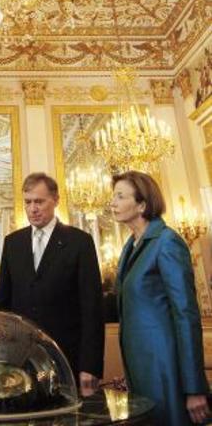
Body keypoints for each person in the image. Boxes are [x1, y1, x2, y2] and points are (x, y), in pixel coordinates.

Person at [110, 170, 210, 426]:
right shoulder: (129, 246)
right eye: (113, 196)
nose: (113, 202)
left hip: (167, 367)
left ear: (142, 204)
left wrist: (194, 386)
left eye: (120, 196)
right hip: (140, 367)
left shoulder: (167, 242)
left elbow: (186, 314)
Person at [0, 172, 104, 393]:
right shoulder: (12, 243)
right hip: (21, 360)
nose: (33, 208)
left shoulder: (79, 242)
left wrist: (90, 366)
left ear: (55, 200)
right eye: (28, 202)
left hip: (68, 356)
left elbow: (92, 307)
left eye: (39, 201)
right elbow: (3, 307)